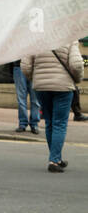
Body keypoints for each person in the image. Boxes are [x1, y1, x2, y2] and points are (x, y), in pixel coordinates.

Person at [21, 44, 84, 172]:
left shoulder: (37, 39)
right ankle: (54, 161)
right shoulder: (69, 37)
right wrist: (76, 80)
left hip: (41, 87)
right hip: (63, 86)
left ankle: (56, 158)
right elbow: (76, 65)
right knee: (59, 123)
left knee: (49, 122)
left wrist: (36, 79)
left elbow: (25, 66)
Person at [12, 58, 41, 134]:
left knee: (35, 100)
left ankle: (34, 124)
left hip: (34, 67)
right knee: (21, 98)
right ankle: (23, 123)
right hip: (19, 66)